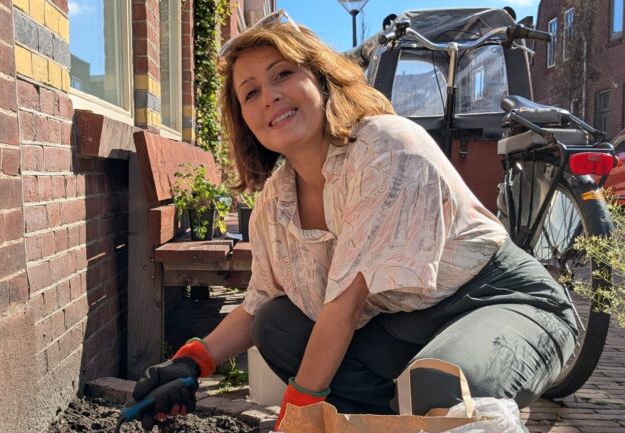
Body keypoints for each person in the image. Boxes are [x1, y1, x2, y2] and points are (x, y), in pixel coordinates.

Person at [130, 10, 578, 431]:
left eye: (283, 74)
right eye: (251, 92)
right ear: (245, 120)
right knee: (277, 324)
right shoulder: (275, 202)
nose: (270, 96)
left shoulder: (384, 147)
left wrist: (300, 414)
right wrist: (190, 363)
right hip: (403, 326)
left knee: (442, 388)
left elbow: (343, 305)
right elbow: (256, 305)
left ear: (322, 79)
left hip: (496, 300)